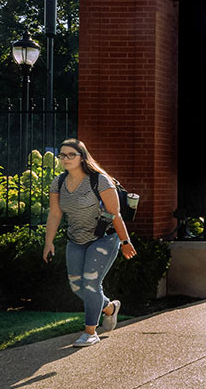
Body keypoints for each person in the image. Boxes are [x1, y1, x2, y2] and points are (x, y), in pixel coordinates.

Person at [43, 138, 137, 347]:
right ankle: (109, 308)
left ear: (82, 157)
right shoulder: (58, 182)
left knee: (92, 283)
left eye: (71, 155)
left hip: (103, 238)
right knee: (77, 286)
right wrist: (48, 242)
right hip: (76, 240)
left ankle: (90, 332)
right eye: (62, 155)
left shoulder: (100, 180)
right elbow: (55, 214)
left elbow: (115, 214)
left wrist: (125, 242)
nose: (65, 159)